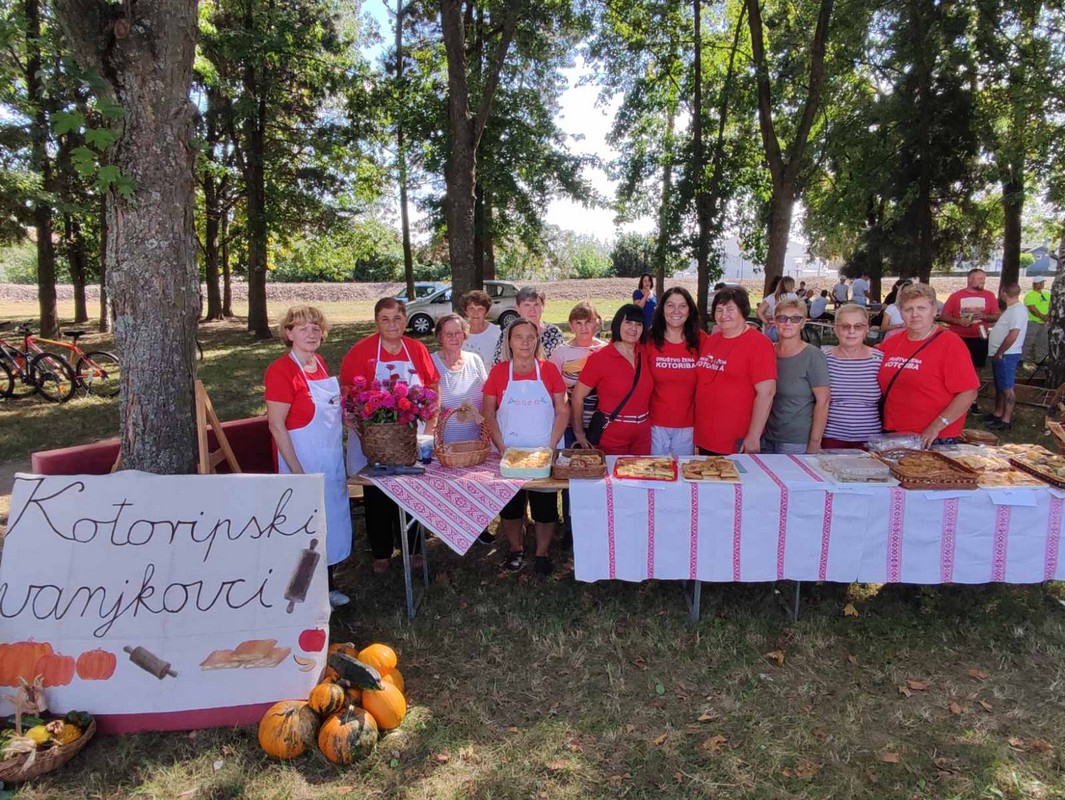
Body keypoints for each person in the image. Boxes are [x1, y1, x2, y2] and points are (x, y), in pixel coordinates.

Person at [340, 297, 440, 574]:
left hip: (411, 435)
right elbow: (349, 395)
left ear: (406, 321)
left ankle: (415, 547)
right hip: (372, 436)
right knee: (377, 493)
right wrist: (363, 434)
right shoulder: (361, 352)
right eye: (385, 319)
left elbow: (432, 387)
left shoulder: (417, 350)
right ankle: (382, 551)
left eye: (397, 318)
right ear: (376, 322)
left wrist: (429, 428)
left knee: (413, 491)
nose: (392, 324)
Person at [265, 306, 352, 608]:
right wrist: (296, 470)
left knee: (329, 524)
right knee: (305, 529)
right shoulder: (280, 371)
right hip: (300, 461)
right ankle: (299, 595)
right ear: (288, 334)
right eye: (302, 328)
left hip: (329, 460)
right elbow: (276, 424)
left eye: (316, 327)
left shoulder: (320, 364)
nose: (311, 333)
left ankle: (327, 586)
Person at [482, 318, 569, 575]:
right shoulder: (499, 372)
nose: (525, 342)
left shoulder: (549, 370)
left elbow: (562, 409)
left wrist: (551, 446)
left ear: (537, 340)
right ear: (509, 341)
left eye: (531, 337)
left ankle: (542, 552)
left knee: (545, 506)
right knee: (511, 507)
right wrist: (500, 445)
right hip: (509, 452)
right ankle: (516, 548)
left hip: (543, 450)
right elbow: (488, 412)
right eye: (519, 336)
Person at [877, 283, 980, 447]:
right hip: (894, 433)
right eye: (908, 309)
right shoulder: (892, 343)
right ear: (901, 313)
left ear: (934, 311)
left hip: (934, 437)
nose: (915, 314)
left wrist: (936, 427)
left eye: (921, 308)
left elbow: (968, 393)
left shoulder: (950, 343)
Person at [694, 287, 776, 455]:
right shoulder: (712, 340)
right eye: (719, 310)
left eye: (730, 309)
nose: (724, 315)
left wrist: (754, 436)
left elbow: (766, 394)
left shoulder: (759, 344)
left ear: (743, 311)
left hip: (736, 439)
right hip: (706, 436)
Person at [572, 304, 654, 455]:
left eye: (638, 324)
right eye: (628, 322)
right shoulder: (600, 358)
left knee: (642, 477)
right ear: (617, 324)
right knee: (613, 478)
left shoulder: (645, 353)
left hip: (643, 435)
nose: (633, 328)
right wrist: (579, 433)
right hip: (611, 435)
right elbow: (577, 397)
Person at [764, 299, 830, 454]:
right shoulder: (767, 352)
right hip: (766, 435)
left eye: (795, 318)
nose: (788, 323)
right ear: (774, 321)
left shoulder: (813, 356)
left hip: (796, 440)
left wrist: (815, 442)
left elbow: (823, 401)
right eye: (782, 318)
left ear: (803, 322)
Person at [645, 287, 704, 455]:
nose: (676, 311)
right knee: (656, 474)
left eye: (682, 306)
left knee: (684, 474)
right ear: (662, 309)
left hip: (687, 425)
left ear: (690, 310)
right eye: (670, 305)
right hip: (655, 424)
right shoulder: (649, 340)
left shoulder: (701, 340)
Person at [821, 304, 883, 448]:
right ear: (836, 329)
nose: (851, 331)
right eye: (845, 326)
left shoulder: (879, 360)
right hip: (831, 437)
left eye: (858, 326)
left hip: (870, 440)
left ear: (867, 328)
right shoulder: (823, 359)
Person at [549, 301, 607, 444]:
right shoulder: (560, 353)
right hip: (568, 425)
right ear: (571, 325)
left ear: (597, 323)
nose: (584, 328)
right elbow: (551, 389)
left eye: (588, 322)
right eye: (578, 323)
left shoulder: (607, 350)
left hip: (601, 423)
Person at [432, 314, 488, 443]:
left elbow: (487, 397)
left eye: (458, 333)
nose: (454, 338)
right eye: (448, 334)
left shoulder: (475, 360)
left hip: (476, 444)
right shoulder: (431, 362)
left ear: (464, 334)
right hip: (443, 446)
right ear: (440, 337)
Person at [940, 268, 1001, 371]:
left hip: (980, 338)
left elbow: (996, 316)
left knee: (977, 367)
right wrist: (958, 321)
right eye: (980, 278)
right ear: (970, 279)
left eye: (984, 279)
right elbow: (943, 316)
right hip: (958, 338)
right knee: (956, 366)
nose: (983, 281)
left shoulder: (989, 296)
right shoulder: (956, 296)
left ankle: (975, 385)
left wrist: (984, 316)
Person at [985, 284, 1027, 430]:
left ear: (1004, 293)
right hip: (1002, 352)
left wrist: (1000, 352)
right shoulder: (1011, 310)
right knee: (1000, 385)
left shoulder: (1017, 310)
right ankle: (998, 413)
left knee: (1007, 387)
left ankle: (1006, 419)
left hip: (1007, 353)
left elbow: (1013, 334)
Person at [492, 286, 565, 363]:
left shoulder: (554, 333)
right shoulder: (508, 333)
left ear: (542, 307)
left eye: (536, 305)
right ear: (517, 308)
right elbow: (498, 363)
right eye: (527, 305)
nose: (532, 310)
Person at [461, 289, 500, 366]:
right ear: (466, 311)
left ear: (486, 312)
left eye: (480, 309)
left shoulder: (496, 333)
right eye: (471, 308)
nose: (475, 313)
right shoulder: (458, 332)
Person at [757, 275, 799, 342]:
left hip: (771, 326)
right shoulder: (793, 296)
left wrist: (766, 322)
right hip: (787, 327)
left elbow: (759, 311)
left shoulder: (772, 297)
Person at [1023, 277, 1050, 365]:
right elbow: (1032, 308)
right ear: (1034, 284)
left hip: (1044, 322)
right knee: (1027, 341)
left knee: (1043, 341)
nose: (1042, 284)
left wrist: (1048, 315)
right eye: (1040, 282)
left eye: (1042, 282)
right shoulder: (1030, 295)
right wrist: (1042, 316)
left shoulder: (1046, 294)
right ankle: (1021, 359)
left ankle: (1041, 359)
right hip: (1033, 322)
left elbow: (1051, 304)